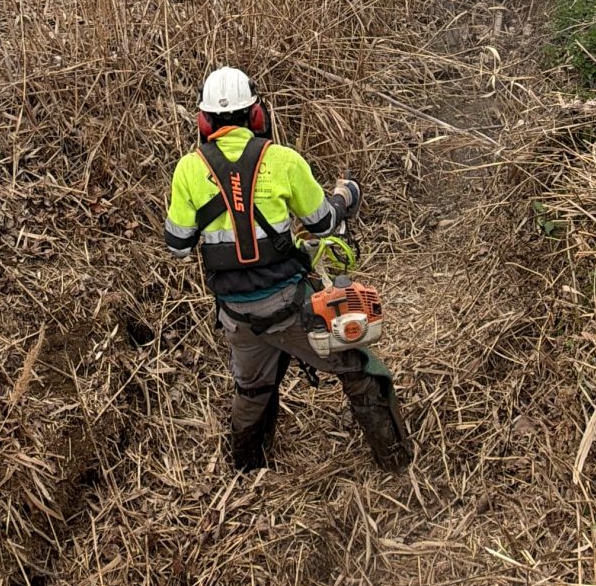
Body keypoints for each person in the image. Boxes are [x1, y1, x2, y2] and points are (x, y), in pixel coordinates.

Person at [164, 66, 411, 472]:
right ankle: (395, 462)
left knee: (253, 388)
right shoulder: (282, 161)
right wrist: (344, 196)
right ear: (256, 115)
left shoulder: (187, 170)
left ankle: (246, 469)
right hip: (287, 308)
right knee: (360, 366)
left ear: (204, 121)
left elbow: (177, 246)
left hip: (235, 313)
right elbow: (324, 224)